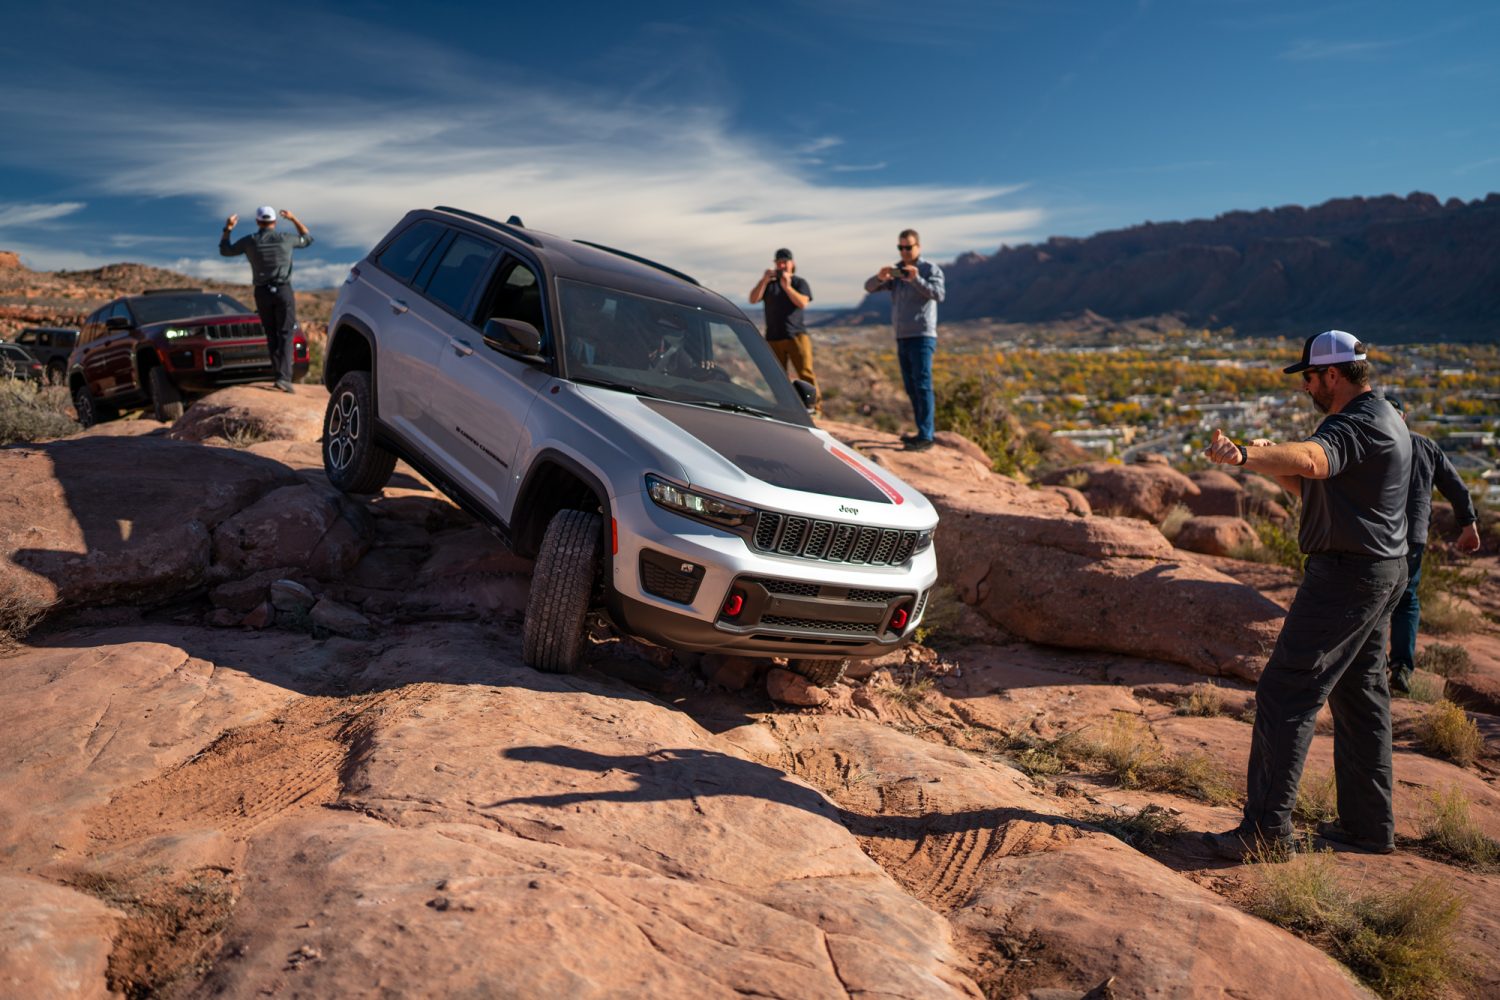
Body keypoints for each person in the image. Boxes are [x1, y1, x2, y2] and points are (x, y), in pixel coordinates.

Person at [1201, 330, 1411, 859]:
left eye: (1311, 378)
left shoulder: (1354, 424)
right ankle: (1368, 828)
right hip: (1381, 571)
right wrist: (1276, 464)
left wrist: (1245, 454)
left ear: (1334, 375)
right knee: (1361, 698)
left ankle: (1265, 834)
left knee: (1286, 691)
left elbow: (1317, 461)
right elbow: (1318, 482)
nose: (1307, 388)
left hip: (1347, 576)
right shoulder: (1388, 418)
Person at [1384, 394, 1481, 694]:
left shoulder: (1371, 441)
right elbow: (1456, 486)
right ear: (1403, 416)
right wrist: (1469, 525)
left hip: (1377, 534)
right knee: (1406, 599)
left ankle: (1371, 665)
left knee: (1374, 599)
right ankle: (1401, 667)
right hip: (1413, 536)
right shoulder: (1424, 445)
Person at [863, 229, 944, 450]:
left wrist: (915, 278)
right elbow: (869, 287)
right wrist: (881, 277)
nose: (905, 252)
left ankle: (927, 436)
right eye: (901, 247)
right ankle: (921, 432)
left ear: (918, 246)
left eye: (908, 247)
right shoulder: (897, 274)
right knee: (911, 386)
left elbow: (939, 294)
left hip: (922, 335)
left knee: (923, 385)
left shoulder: (929, 270)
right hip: (902, 336)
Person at [219, 206, 314, 393]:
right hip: (283, 291)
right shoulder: (285, 239)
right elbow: (307, 238)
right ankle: (284, 377)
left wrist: (228, 228)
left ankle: (279, 375)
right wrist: (294, 219)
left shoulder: (250, 241)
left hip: (262, 292)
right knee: (285, 334)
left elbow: (226, 250)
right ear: (274, 222)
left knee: (271, 335)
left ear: (257, 222)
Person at [749, 248, 818, 412]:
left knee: (805, 372)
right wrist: (764, 280)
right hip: (773, 336)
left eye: (784, 262)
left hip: (796, 335)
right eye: (778, 263)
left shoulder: (799, 282)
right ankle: (785, 407)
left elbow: (803, 303)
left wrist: (787, 287)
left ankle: (815, 408)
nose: (781, 266)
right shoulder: (769, 284)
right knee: (778, 376)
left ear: (792, 263)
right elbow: (753, 299)